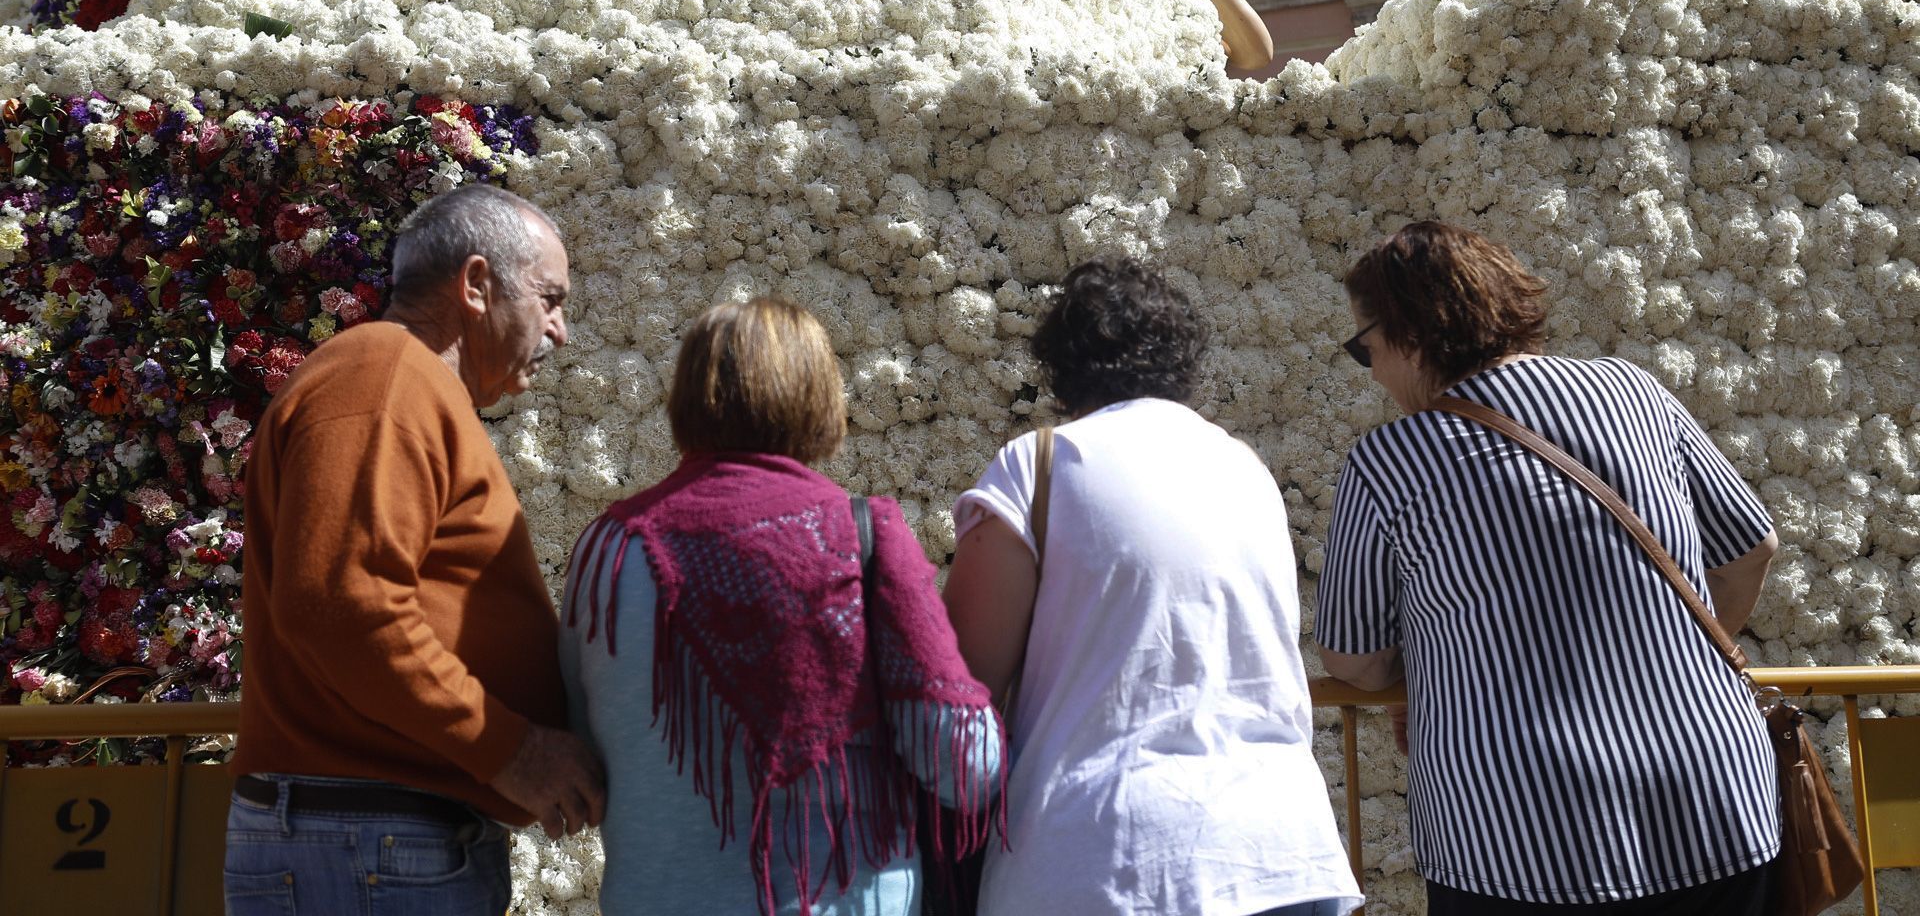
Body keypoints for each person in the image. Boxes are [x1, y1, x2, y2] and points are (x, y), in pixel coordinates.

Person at [1317, 221, 1781, 916]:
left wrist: (1441, 673)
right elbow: (1751, 549)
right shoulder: (1635, 393)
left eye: (1365, 348)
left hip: (1523, 836)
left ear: (1410, 336)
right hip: (1714, 800)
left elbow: (1354, 659)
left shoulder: (1390, 462)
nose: (1374, 372)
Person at [225, 183, 606, 915]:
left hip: (372, 841)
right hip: (368, 842)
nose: (560, 332)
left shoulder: (402, 382)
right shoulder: (385, 374)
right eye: (549, 298)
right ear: (474, 284)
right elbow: (340, 604)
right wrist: (512, 752)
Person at [943, 256, 1363, 916]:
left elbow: (960, 685)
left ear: (1061, 368)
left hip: (1108, 858)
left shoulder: (1042, 465)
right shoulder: (1243, 469)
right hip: (1282, 851)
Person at [560, 296, 1003, 916]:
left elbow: (586, 758)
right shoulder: (860, 539)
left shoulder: (608, 551)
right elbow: (962, 763)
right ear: (819, 395)